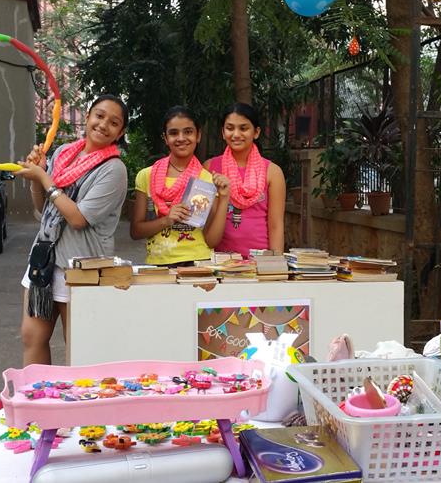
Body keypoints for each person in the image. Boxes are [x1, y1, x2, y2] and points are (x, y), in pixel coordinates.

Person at [16, 94, 129, 366]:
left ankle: (79, 407)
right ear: (88, 116)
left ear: (120, 132)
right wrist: (38, 174)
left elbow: (78, 218)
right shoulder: (64, 153)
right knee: (31, 337)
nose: (103, 125)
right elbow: (44, 208)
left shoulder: (114, 169)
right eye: (99, 115)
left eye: (114, 122)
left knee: (79, 348)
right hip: (44, 260)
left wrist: (44, 178)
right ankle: (39, 403)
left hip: (82, 268)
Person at [130, 106, 230, 265]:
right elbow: (136, 231)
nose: (181, 138)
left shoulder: (207, 180)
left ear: (198, 136)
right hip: (159, 263)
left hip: (198, 263)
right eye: (174, 133)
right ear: (165, 138)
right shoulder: (146, 176)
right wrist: (167, 220)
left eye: (188, 132)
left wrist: (224, 198)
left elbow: (212, 241)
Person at [203, 102, 285, 258]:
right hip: (220, 261)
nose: (236, 134)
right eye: (230, 128)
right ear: (222, 132)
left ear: (256, 132)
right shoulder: (209, 168)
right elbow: (205, 222)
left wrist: (275, 266)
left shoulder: (273, 172)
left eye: (243, 128)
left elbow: (275, 225)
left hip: (260, 260)